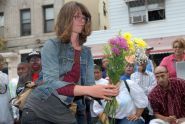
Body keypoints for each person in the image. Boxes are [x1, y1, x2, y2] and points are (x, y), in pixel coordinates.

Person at [21, 2, 119, 124]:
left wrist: (107, 90)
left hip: (64, 114)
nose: (82, 21)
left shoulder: (86, 52)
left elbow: (89, 87)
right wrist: (89, 90)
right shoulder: (52, 45)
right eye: (77, 17)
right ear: (66, 18)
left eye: (84, 17)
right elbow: (51, 83)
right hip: (39, 112)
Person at [0, 54, 14, 124]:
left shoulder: (4, 76)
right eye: (2, 61)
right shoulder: (3, 76)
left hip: (5, 117)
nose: (2, 64)